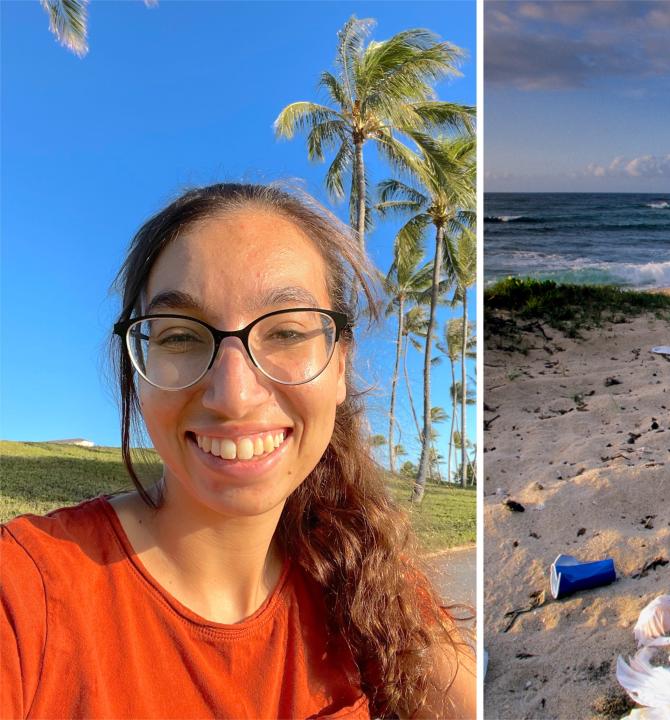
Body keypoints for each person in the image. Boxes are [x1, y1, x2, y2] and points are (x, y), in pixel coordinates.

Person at [0, 183, 476, 719]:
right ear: (141, 368)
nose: (233, 394)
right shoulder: (27, 594)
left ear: (340, 363)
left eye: (287, 332)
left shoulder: (365, 575)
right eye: (180, 337)